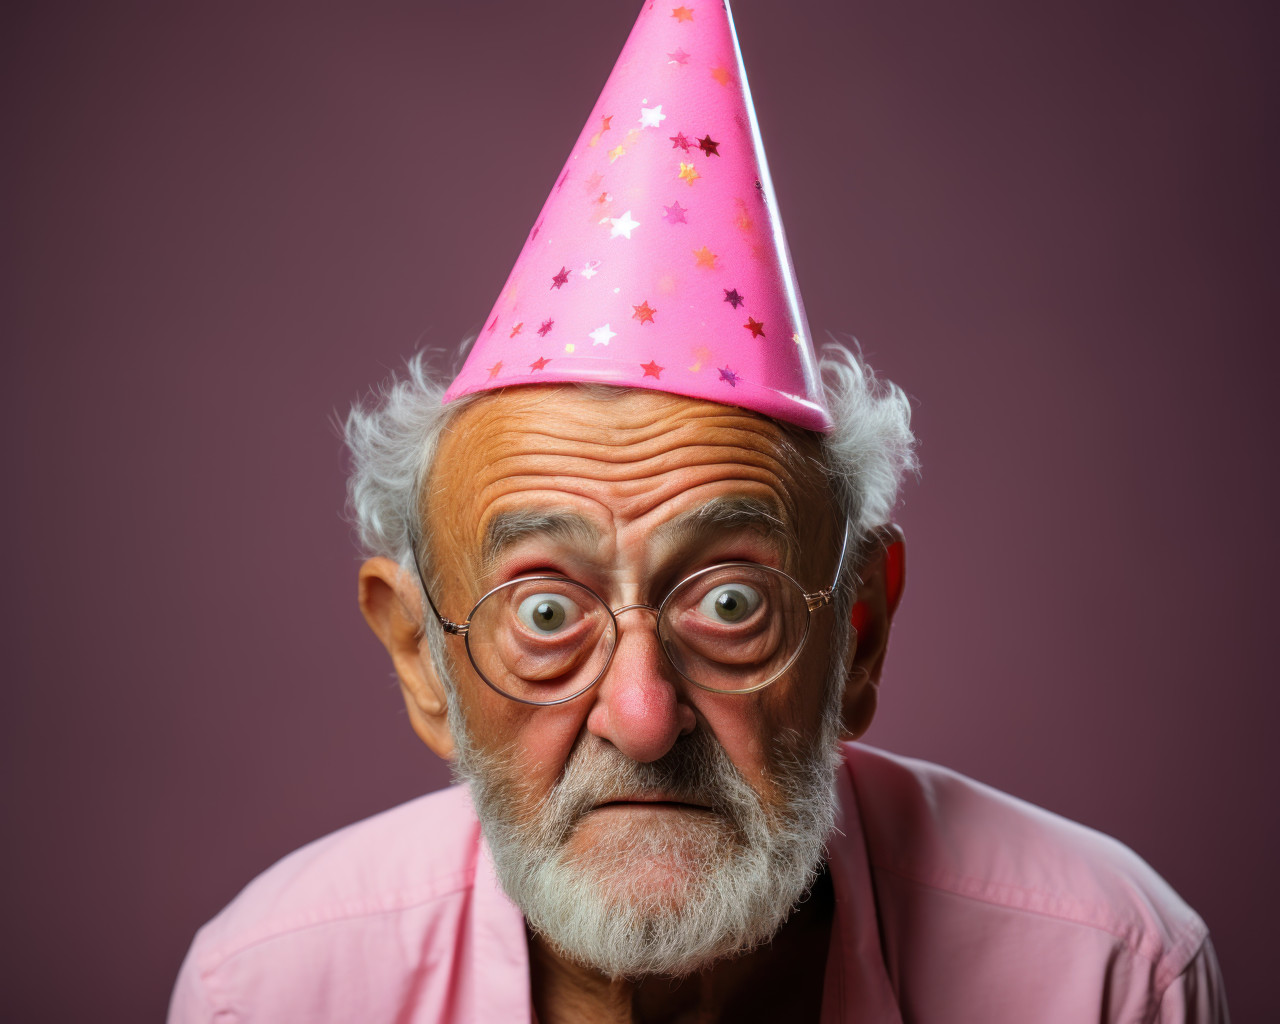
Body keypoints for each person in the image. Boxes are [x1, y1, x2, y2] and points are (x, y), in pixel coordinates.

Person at [169, 3, 1228, 1020]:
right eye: (545, 612)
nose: (642, 716)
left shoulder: (1109, 975)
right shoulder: (266, 993)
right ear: (419, 653)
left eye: (728, 601)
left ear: (855, 637)